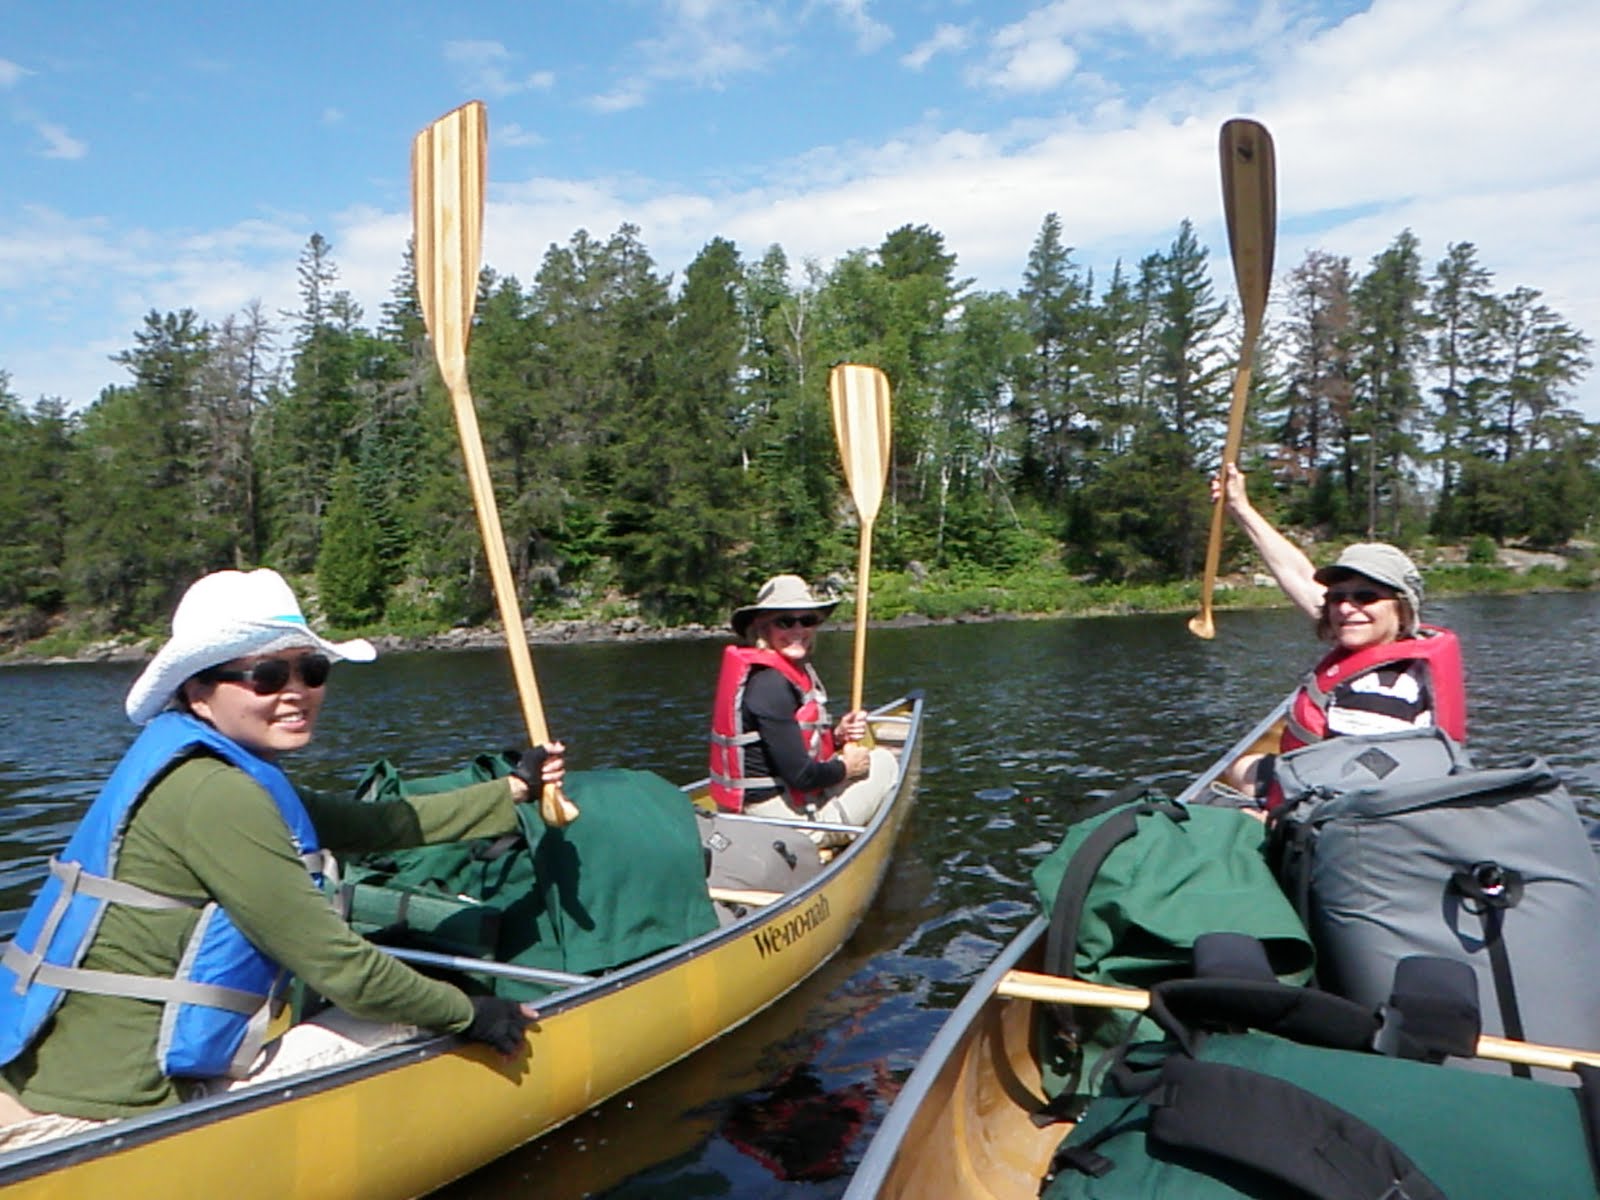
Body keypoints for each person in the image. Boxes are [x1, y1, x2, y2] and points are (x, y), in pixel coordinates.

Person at [0, 568, 564, 1140]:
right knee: (403, 1019)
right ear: (198, 693)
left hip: (68, 1067)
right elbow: (341, 968)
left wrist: (514, 790)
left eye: (311, 671)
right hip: (127, 1096)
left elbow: (372, 823)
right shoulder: (219, 794)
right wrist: (473, 1013)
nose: (296, 692)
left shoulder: (207, 767)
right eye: (266, 676)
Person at [1212, 465, 1466, 802]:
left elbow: (1353, 796)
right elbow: (1300, 573)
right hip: (1342, 778)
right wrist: (1240, 507)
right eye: (1337, 597)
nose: (1347, 608)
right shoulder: (1385, 640)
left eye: (1366, 597)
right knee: (1244, 768)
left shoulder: (1380, 691)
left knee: (1243, 775)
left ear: (1402, 606)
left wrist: (1267, 818)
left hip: (1350, 812)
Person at [708, 575, 898, 842]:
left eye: (807, 620)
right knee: (885, 763)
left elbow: (784, 747)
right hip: (781, 826)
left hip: (766, 809)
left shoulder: (776, 676)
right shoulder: (770, 685)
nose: (798, 629)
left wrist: (836, 736)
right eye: (785, 621)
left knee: (869, 761)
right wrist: (847, 768)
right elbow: (802, 776)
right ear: (762, 629)